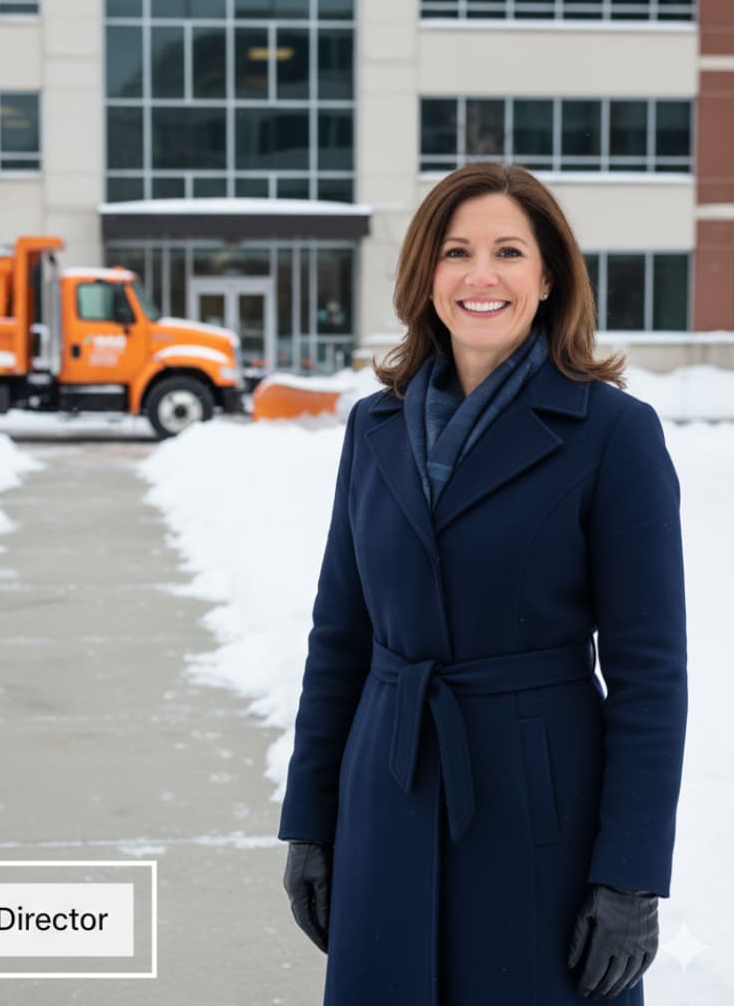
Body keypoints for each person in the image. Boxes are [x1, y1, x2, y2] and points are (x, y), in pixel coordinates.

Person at [278, 162, 687, 1006]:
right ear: (426, 274)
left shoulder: (614, 435)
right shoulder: (375, 428)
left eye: (508, 251)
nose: (481, 275)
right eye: (457, 251)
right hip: (386, 797)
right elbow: (339, 640)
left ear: (548, 276)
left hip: (541, 816)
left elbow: (651, 677)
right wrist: (311, 824)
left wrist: (631, 877)